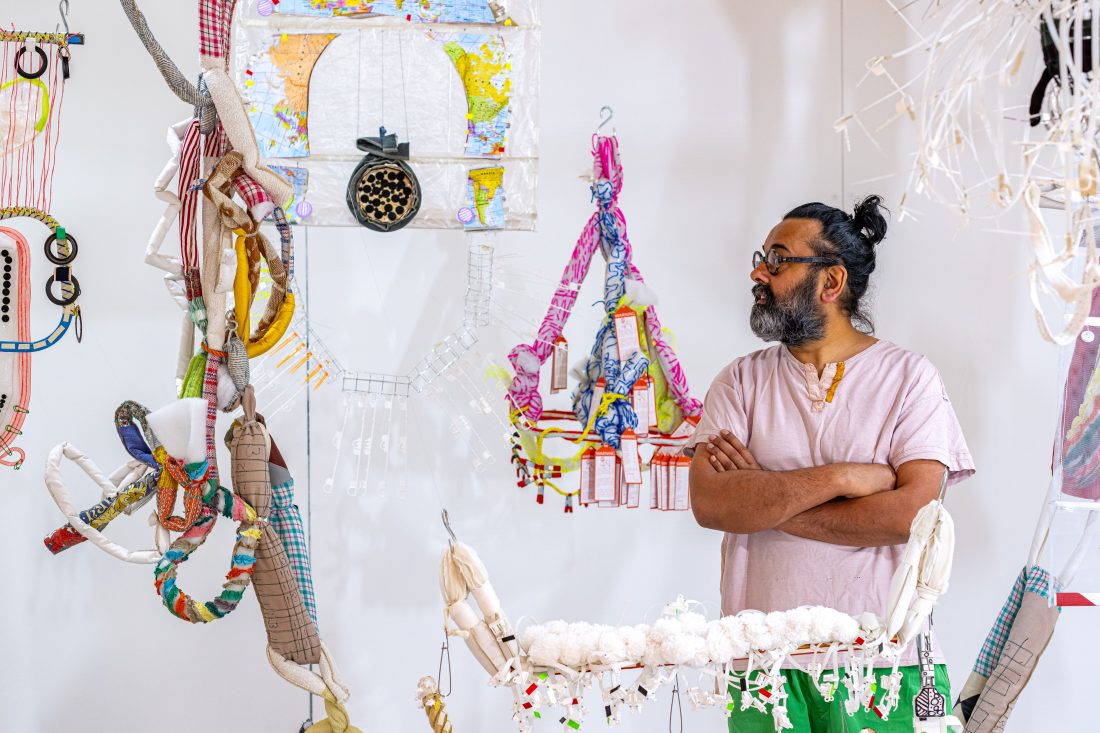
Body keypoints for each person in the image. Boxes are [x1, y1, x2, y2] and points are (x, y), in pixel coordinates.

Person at [687, 196, 975, 733]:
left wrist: (762, 498)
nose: (757, 271)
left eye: (777, 259)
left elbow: (911, 516)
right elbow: (711, 504)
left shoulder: (910, 379)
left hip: (884, 662)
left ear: (831, 282)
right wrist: (842, 479)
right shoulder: (740, 381)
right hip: (761, 663)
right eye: (762, 257)